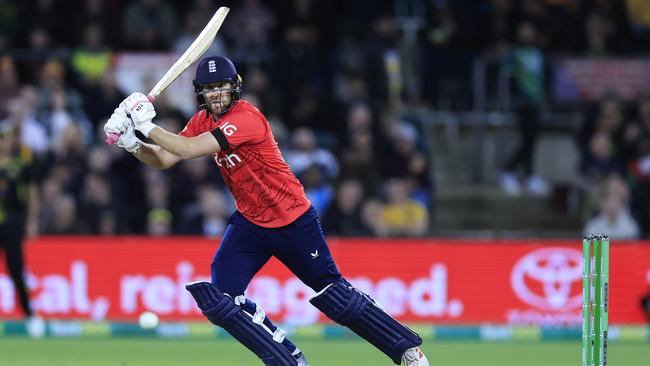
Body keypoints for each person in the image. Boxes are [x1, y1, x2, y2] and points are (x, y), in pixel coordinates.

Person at [104, 55, 428, 366]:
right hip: (250, 223)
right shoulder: (202, 120)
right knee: (221, 299)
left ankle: (407, 350)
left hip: (293, 219)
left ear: (235, 87)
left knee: (334, 296)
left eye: (222, 86)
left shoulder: (247, 118)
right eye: (209, 88)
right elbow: (164, 159)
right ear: (200, 93)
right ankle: (289, 360)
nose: (216, 94)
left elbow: (187, 149)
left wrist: (146, 124)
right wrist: (131, 141)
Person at [0, 121, 43, 337]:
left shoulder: (20, 164)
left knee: (16, 270)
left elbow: (33, 193)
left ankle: (30, 315)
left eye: (4, 138)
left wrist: (32, 221)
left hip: (12, 223)